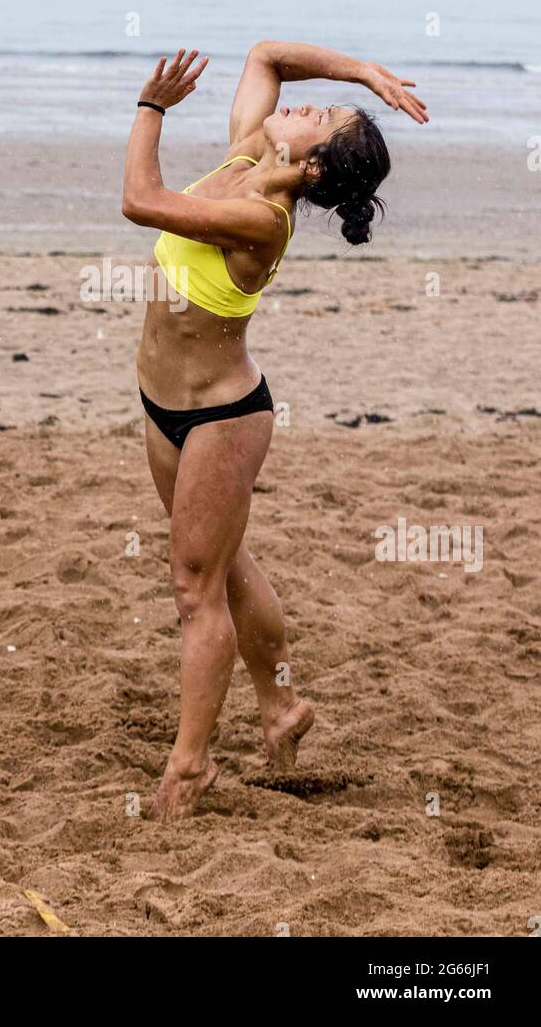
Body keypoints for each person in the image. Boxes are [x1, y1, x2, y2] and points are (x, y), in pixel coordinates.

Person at [122, 41, 428, 820]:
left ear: (312, 168)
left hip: (221, 418)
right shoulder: (247, 155)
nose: (299, 106)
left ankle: (189, 767)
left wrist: (151, 107)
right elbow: (266, 56)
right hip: (163, 402)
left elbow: (139, 197)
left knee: (195, 590)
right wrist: (361, 73)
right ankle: (282, 705)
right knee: (220, 569)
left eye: (318, 118)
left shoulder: (258, 217)